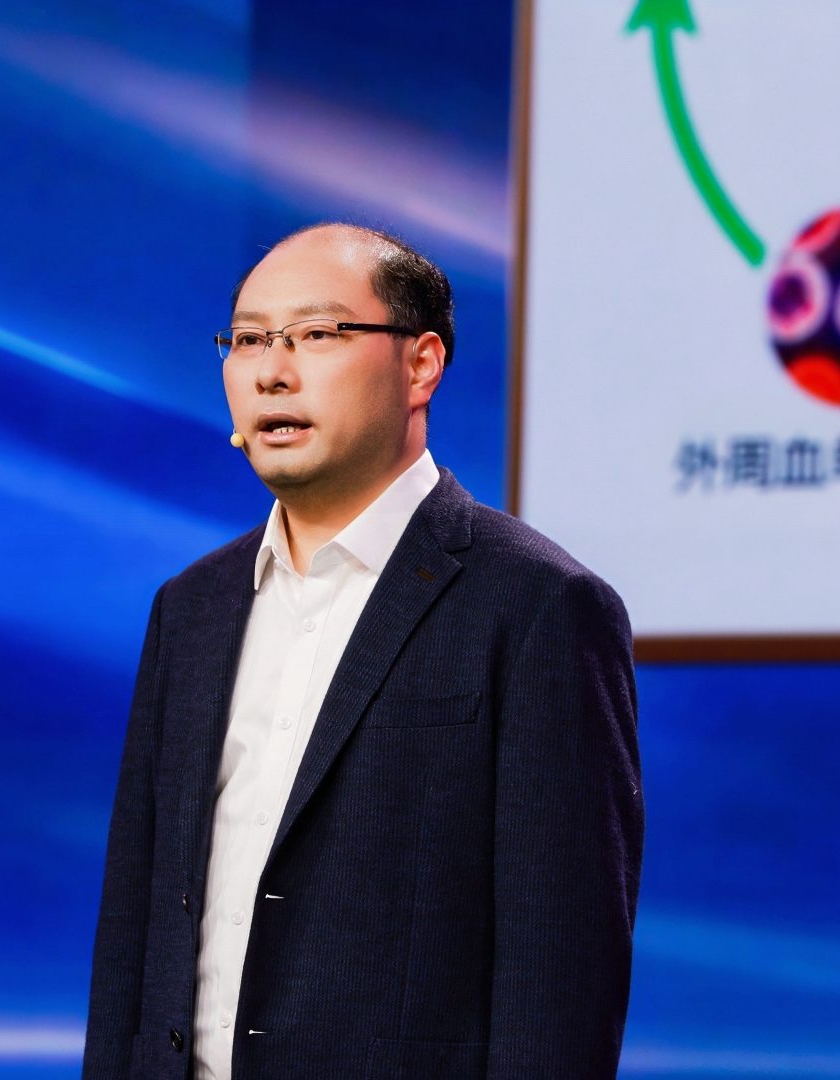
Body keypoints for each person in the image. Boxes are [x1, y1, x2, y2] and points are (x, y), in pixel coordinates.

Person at [83, 223, 643, 1079]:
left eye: (316, 334)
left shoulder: (539, 607)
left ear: (421, 365)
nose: (272, 371)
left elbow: (561, 974)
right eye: (249, 340)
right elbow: (133, 927)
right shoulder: (190, 610)